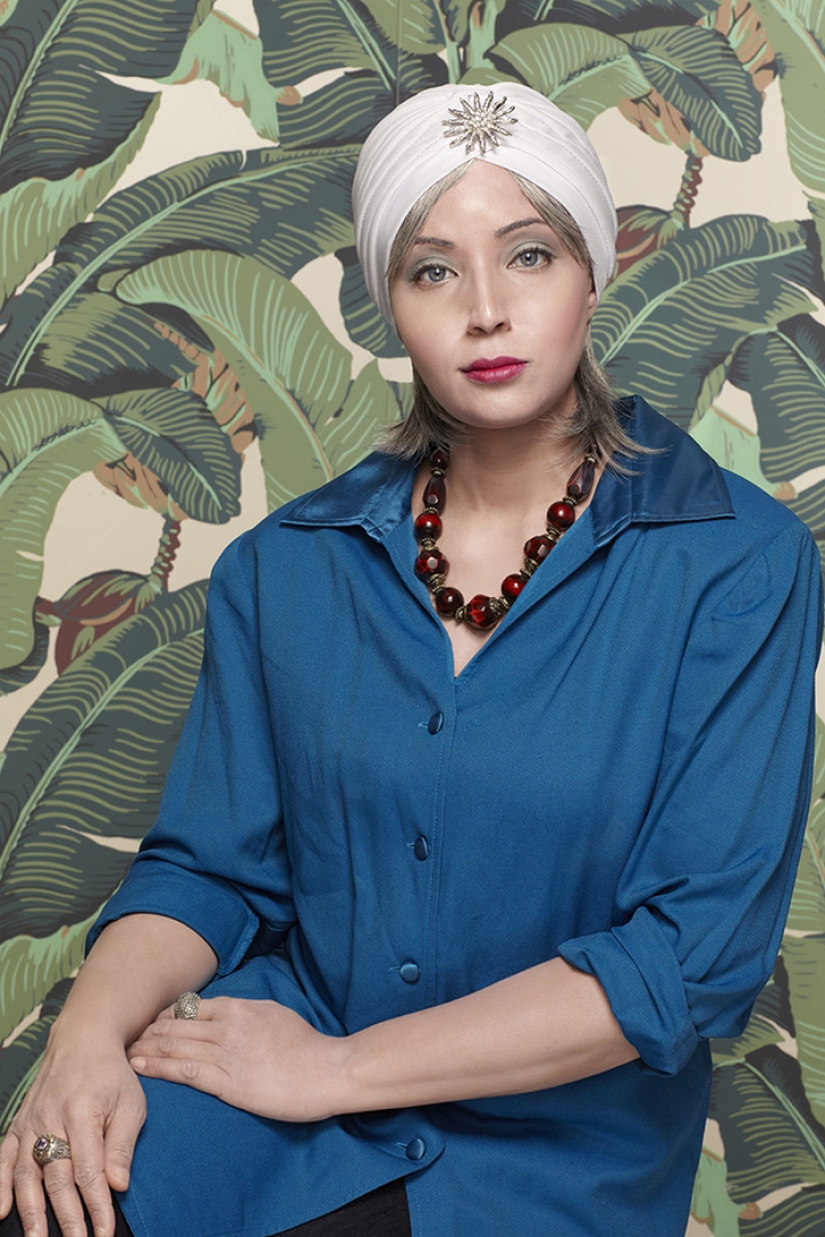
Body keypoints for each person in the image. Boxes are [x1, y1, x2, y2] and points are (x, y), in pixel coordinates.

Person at [0, 82, 821, 1237]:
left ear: (594, 270)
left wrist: (330, 1069)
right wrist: (82, 1041)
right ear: (389, 303)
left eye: (528, 255)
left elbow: (685, 960)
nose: (486, 310)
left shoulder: (738, 564)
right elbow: (210, 867)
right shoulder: (284, 567)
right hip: (260, 1117)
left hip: (546, 1162)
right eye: (433, 270)